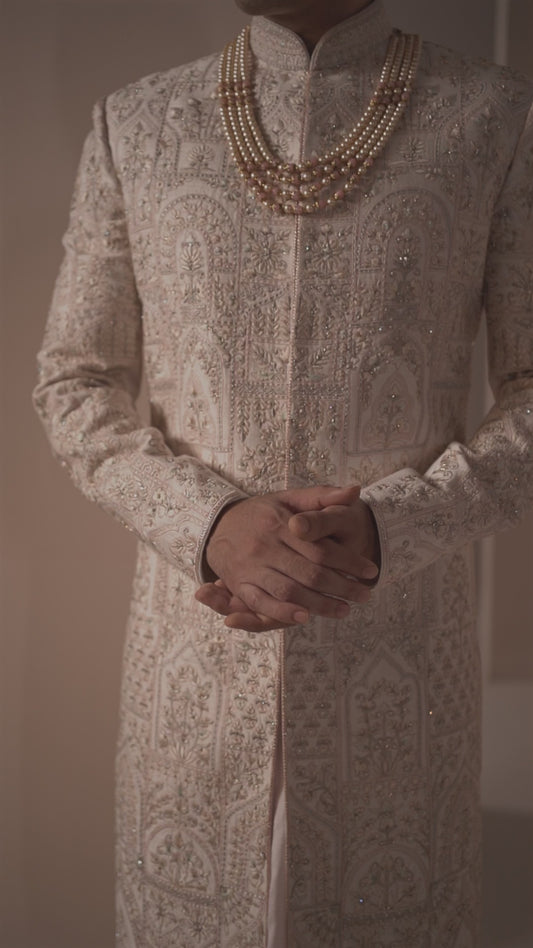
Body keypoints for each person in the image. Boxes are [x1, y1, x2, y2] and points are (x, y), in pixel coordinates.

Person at [33, 0, 533, 944]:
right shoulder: (136, 122)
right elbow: (76, 380)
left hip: (396, 673)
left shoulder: (493, 117)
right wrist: (208, 522)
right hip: (192, 672)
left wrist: (394, 525)